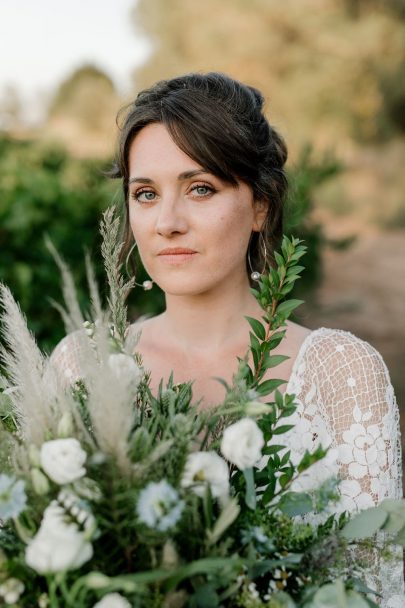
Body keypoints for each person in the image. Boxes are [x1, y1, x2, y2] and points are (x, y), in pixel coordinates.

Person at [51, 72, 403, 606]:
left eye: (200, 189)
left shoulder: (342, 375)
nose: (167, 222)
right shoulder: (82, 363)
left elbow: (374, 588)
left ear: (261, 204)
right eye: (145, 194)